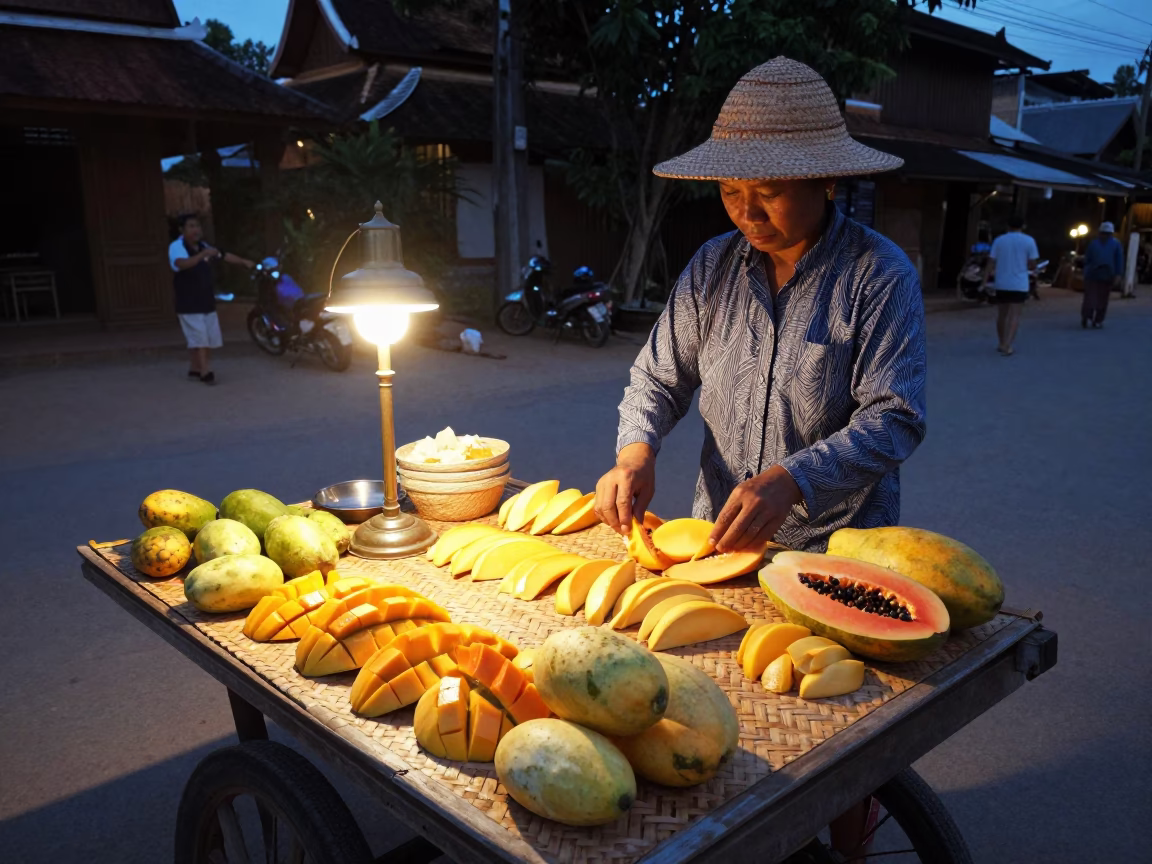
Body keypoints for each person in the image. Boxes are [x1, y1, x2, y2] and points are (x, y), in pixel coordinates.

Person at [594, 56, 925, 563]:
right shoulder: (712, 265)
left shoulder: (878, 273)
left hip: (834, 549)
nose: (748, 213)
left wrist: (794, 480)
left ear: (827, 181)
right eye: (730, 192)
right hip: (717, 538)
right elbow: (659, 377)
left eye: (769, 193)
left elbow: (895, 417)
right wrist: (636, 451)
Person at [169, 213, 254, 383]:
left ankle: (194, 369)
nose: (196, 230)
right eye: (191, 226)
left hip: (206, 300)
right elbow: (181, 264)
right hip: (189, 302)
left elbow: (223, 255)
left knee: (202, 337)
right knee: (201, 338)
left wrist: (244, 261)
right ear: (182, 230)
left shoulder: (203, 245)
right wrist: (202, 256)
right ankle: (205, 372)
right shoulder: (177, 246)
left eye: (197, 226)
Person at [983, 214, 1038, 356]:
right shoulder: (1029, 241)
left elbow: (991, 262)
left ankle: (1001, 342)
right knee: (1014, 315)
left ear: (1007, 226)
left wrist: (984, 280)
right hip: (1019, 283)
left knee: (1002, 314)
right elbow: (1033, 263)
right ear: (1023, 226)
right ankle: (1008, 344)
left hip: (1001, 282)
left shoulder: (999, 240)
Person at [1080, 221, 1124, 328]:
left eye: (1107, 233)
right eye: (1104, 233)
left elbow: (1119, 260)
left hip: (1107, 273)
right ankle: (1087, 316)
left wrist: (1118, 274)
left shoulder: (1115, 244)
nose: (1105, 235)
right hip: (1093, 273)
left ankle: (1098, 319)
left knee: (1102, 298)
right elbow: (1087, 259)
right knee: (1090, 297)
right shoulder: (1094, 244)